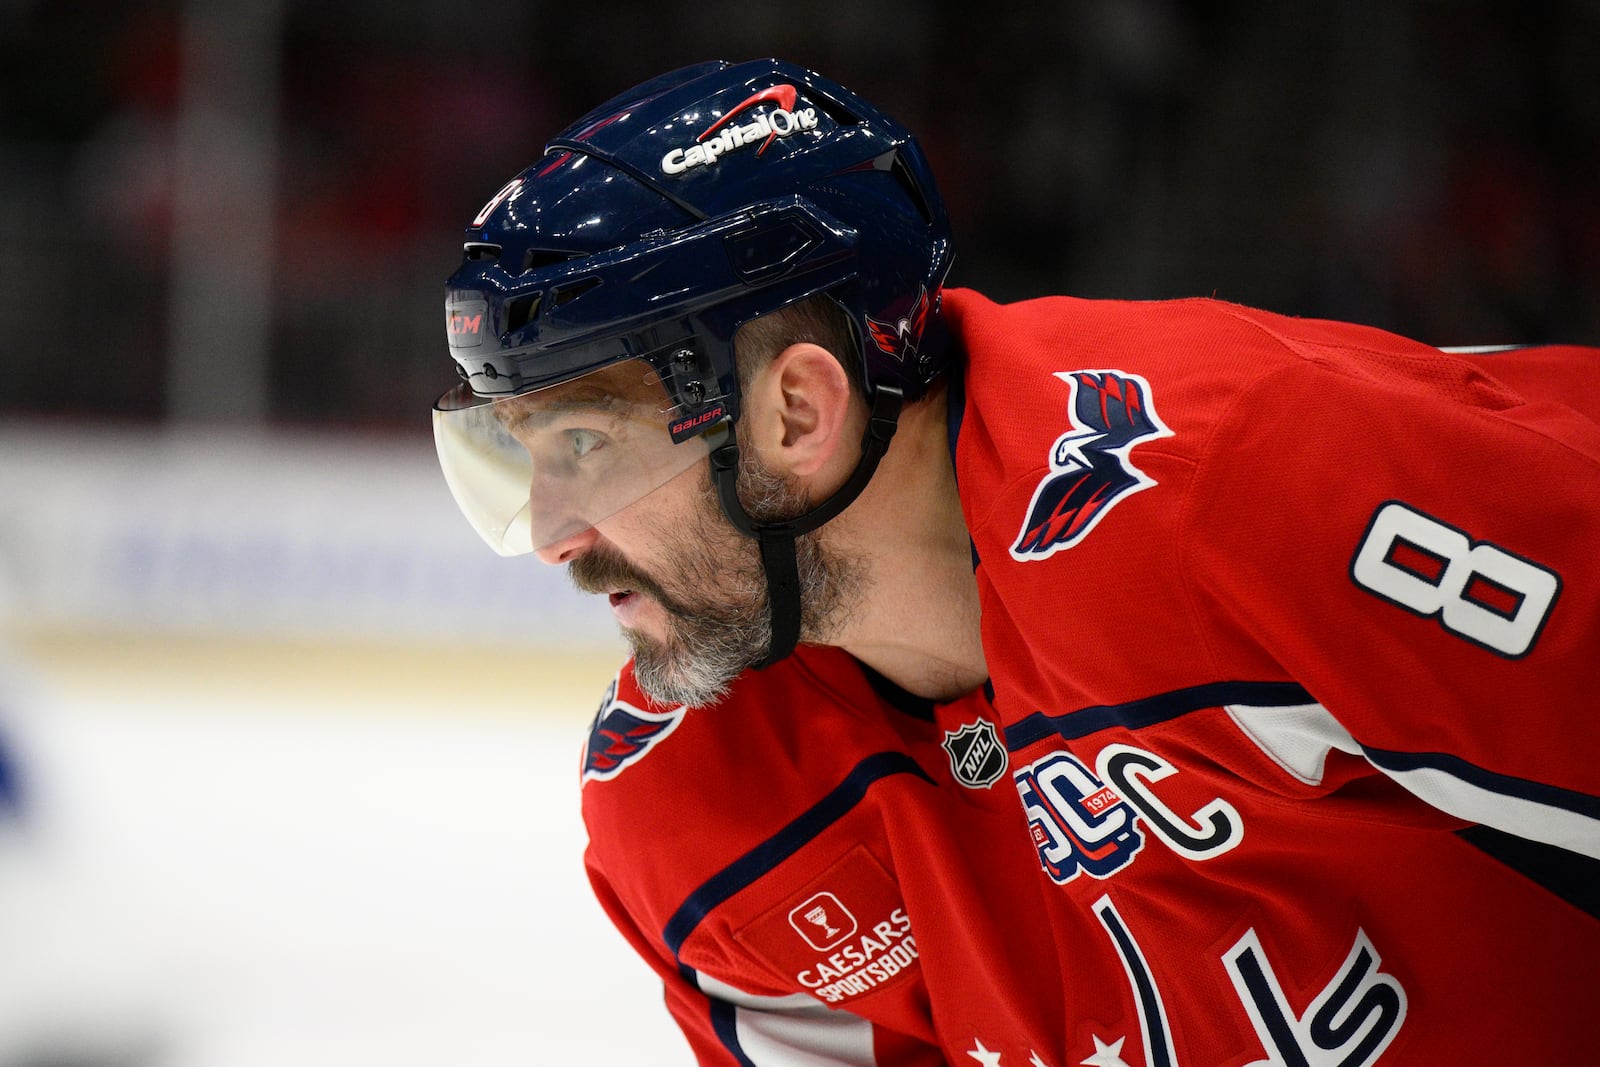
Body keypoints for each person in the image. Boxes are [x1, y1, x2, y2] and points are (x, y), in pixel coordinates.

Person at [432, 59, 1600, 1065]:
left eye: (583, 442)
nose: (551, 536)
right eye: (525, 456)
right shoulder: (689, 814)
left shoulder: (1233, 489)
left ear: (795, 412)